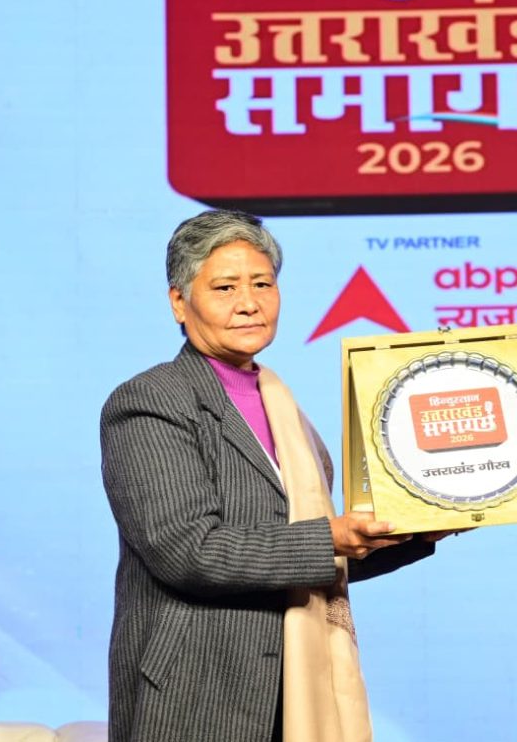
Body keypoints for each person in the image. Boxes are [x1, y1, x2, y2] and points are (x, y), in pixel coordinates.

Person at [101, 209, 435, 742]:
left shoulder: (282, 404)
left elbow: (308, 559)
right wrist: (331, 537)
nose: (249, 303)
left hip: (298, 683)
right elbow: (188, 551)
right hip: (200, 693)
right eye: (225, 287)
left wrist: (418, 524)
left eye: (262, 284)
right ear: (179, 302)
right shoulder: (150, 401)